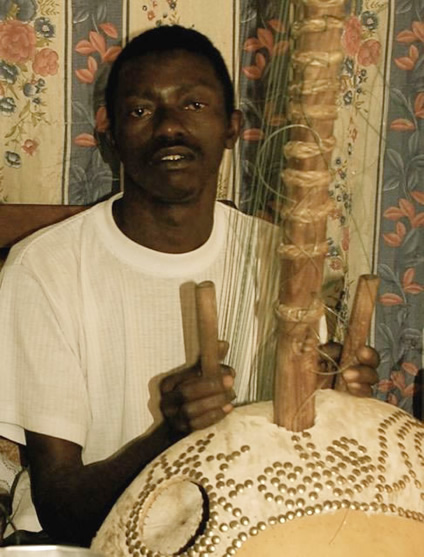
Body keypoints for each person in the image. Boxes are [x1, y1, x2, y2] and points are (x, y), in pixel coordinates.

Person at [0, 25, 379, 547]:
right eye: (140, 110)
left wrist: (339, 408)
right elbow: (64, 511)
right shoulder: (43, 269)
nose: (170, 127)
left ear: (232, 127)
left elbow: (300, 473)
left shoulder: (286, 259)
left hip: (244, 536)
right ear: (108, 129)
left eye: (195, 105)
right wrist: (167, 437)